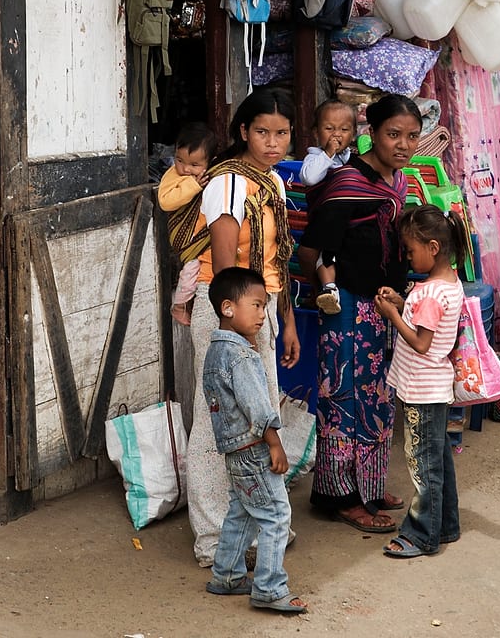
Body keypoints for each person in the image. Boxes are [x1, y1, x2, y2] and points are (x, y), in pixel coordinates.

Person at [185, 89, 300, 567]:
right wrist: (240, 331)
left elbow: (278, 260)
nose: (272, 143)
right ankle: (213, 541)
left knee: (259, 418)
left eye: (282, 133)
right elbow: (228, 266)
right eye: (262, 132)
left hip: (260, 307)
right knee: (219, 425)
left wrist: (283, 319)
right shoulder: (229, 184)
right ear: (242, 133)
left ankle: (255, 531)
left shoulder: (271, 181)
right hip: (227, 309)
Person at [298, 94, 421, 534]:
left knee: (376, 399)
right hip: (347, 307)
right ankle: (341, 496)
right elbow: (312, 248)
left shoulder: (398, 180)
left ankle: (369, 485)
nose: (403, 144)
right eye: (393, 134)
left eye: (411, 136)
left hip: (380, 306)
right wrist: (327, 295)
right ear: (372, 134)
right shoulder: (348, 183)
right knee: (344, 399)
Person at [200, 267, 307, 613]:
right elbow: (258, 408)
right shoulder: (242, 356)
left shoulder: (215, 352)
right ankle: (269, 588)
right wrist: (274, 443)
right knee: (276, 515)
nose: (264, 314)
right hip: (254, 448)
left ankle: (227, 574)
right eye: (257, 305)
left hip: (234, 450)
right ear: (228, 308)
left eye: (265, 306)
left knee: (242, 510)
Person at [374, 206, 465, 559]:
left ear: (433, 247)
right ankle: (446, 526)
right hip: (436, 388)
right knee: (438, 460)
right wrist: (403, 302)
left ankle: (421, 535)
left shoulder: (429, 294)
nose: (408, 257)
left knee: (422, 466)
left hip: (421, 390)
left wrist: (393, 314)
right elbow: (429, 323)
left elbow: (422, 343)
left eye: (411, 251)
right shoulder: (447, 285)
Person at [299, 99, 359, 315]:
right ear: (316, 132)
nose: (337, 135)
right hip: (322, 222)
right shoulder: (315, 157)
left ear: (353, 134)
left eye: (344, 129)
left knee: (332, 252)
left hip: (347, 225)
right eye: (329, 128)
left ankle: (328, 290)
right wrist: (327, 155)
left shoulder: (353, 160)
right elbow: (310, 178)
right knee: (322, 254)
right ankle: (324, 290)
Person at [158, 122, 219, 325]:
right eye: (179, 160)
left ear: (209, 162)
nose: (185, 169)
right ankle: (180, 305)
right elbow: (166, 201)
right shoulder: (173, 176)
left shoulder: (211, 176)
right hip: (183, 235)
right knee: (191, 267)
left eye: (194, 165)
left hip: (200, 233)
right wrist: (193, 185)